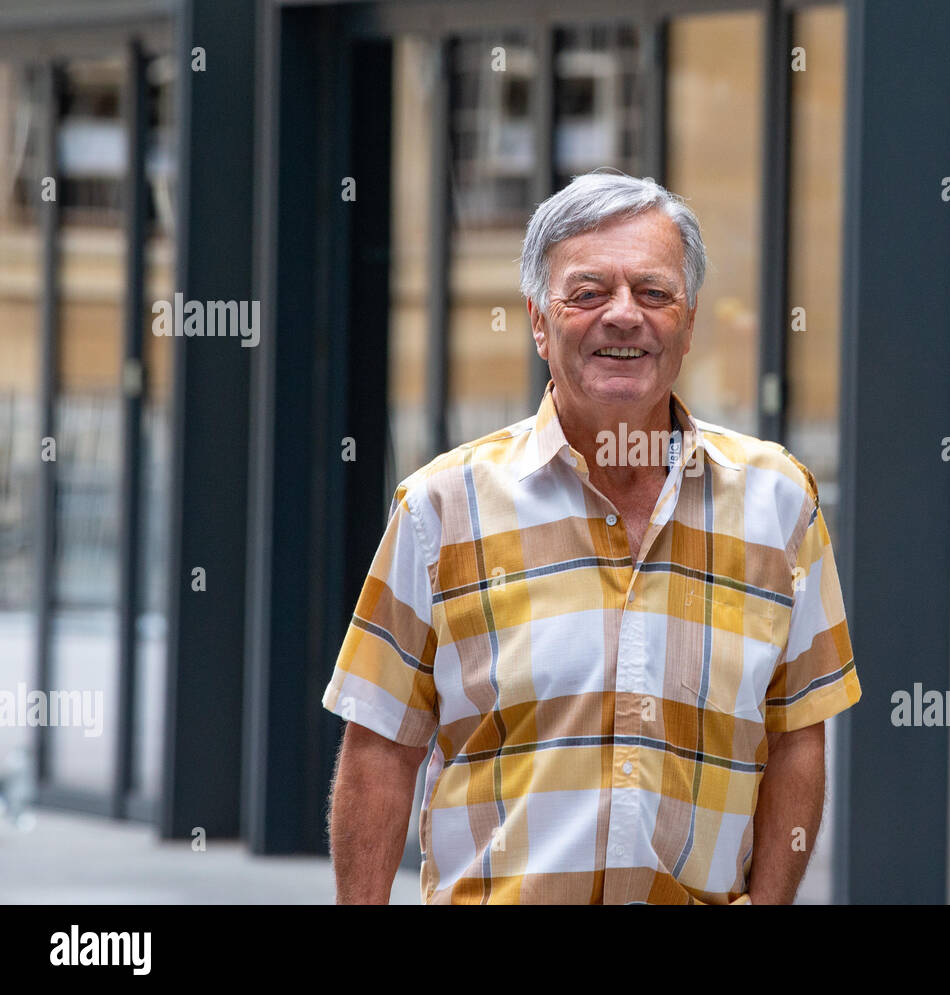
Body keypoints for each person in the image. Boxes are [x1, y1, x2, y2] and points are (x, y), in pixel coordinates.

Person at [322, 170, 860, 904]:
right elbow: (380, 749)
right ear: (539, 323)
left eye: (653, 291)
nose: (623, 315)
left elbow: (798, 737)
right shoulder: (440, 511)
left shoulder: (779, 504)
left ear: (690, 319)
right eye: (587, 292)